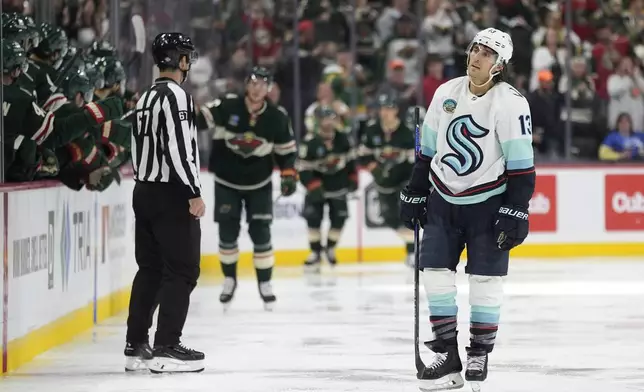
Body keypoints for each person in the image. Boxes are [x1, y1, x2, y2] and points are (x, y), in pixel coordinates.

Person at [399, 28, 535, 390]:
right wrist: (415, 190)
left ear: (500, 64)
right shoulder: (446, 92)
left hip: (488, 204)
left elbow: (522, 165)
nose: (477, 56)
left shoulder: (511, 102)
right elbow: (426, 151)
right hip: (443, 199)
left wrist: (516, 208)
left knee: (485, 282)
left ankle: (479, 352)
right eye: (475, 49)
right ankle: (447, 355)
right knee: (434, 275)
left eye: (487, 53)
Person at [125, 32, 205, 374]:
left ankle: (136, 344)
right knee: (182, 270)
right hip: (171, 193)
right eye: (186, 56)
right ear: (179, 59)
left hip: (143, 190)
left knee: (151, 269)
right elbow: (178, 149)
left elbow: (137, 146)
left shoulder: (145, 97)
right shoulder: (176, 96)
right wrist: (193, 191)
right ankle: (167, 345)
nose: (188, 63)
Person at [196, 66, 298, 311]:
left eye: (263, 84)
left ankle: (265, 284)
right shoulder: (227, 105)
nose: (257, 88)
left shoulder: (277, 116)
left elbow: (287, 152)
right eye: (253, 83)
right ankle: (229, 280)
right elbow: (199, 120)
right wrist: (183, 108)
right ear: (246, 85)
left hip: (259, 183)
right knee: (227, 233)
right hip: (226, 181)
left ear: (269, 88)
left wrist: (288, 173)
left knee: (261, 233)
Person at [298, 105, 358, 271]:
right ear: (318, 121)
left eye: (331, 118)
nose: (328, 122)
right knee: (313, 220)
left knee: (339, 219)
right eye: (324, 119)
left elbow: (351, 162)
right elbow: (303, 168)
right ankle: (315, 253)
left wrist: (353, 178)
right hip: (316, 189)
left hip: (338, 187)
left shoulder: (344, 139)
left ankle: (330, 247)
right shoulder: (309, 142)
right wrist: (312, 185)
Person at [358, 94, 415, 267]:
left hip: (404, 179)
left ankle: (412, 251)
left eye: (389, 108)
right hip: (384, 182)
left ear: (396, 111)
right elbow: (362, 155)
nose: (386, 112)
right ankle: (411, 242)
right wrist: (375, 169)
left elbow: (416, 158)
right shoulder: (372, 130)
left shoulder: (406, 131)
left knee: (408, 212)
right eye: (383, 108)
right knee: (389, 217)